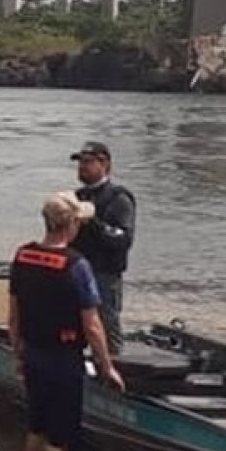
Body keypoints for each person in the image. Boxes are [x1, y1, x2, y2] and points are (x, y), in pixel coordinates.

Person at [9, 191, 125, 451]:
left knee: (36, 427)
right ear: (71, 225)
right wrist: (107, 366)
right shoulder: (77, 266)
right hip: (64, 359)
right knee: (58, 440)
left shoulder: (23, 256)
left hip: (33, 353)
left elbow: (14, 316)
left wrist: (18, 355)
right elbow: (93, 325)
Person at [69, 141, 137, 355]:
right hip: (76, 271)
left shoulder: (118, 198)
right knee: (72, 325)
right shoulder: (76, 197)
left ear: (105, 164)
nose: (82, 167)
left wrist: (93, 222)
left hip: (104, 274)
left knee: (107, 328)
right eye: (80, 163)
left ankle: (114, 372)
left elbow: (123, 240)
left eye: (88, 162)